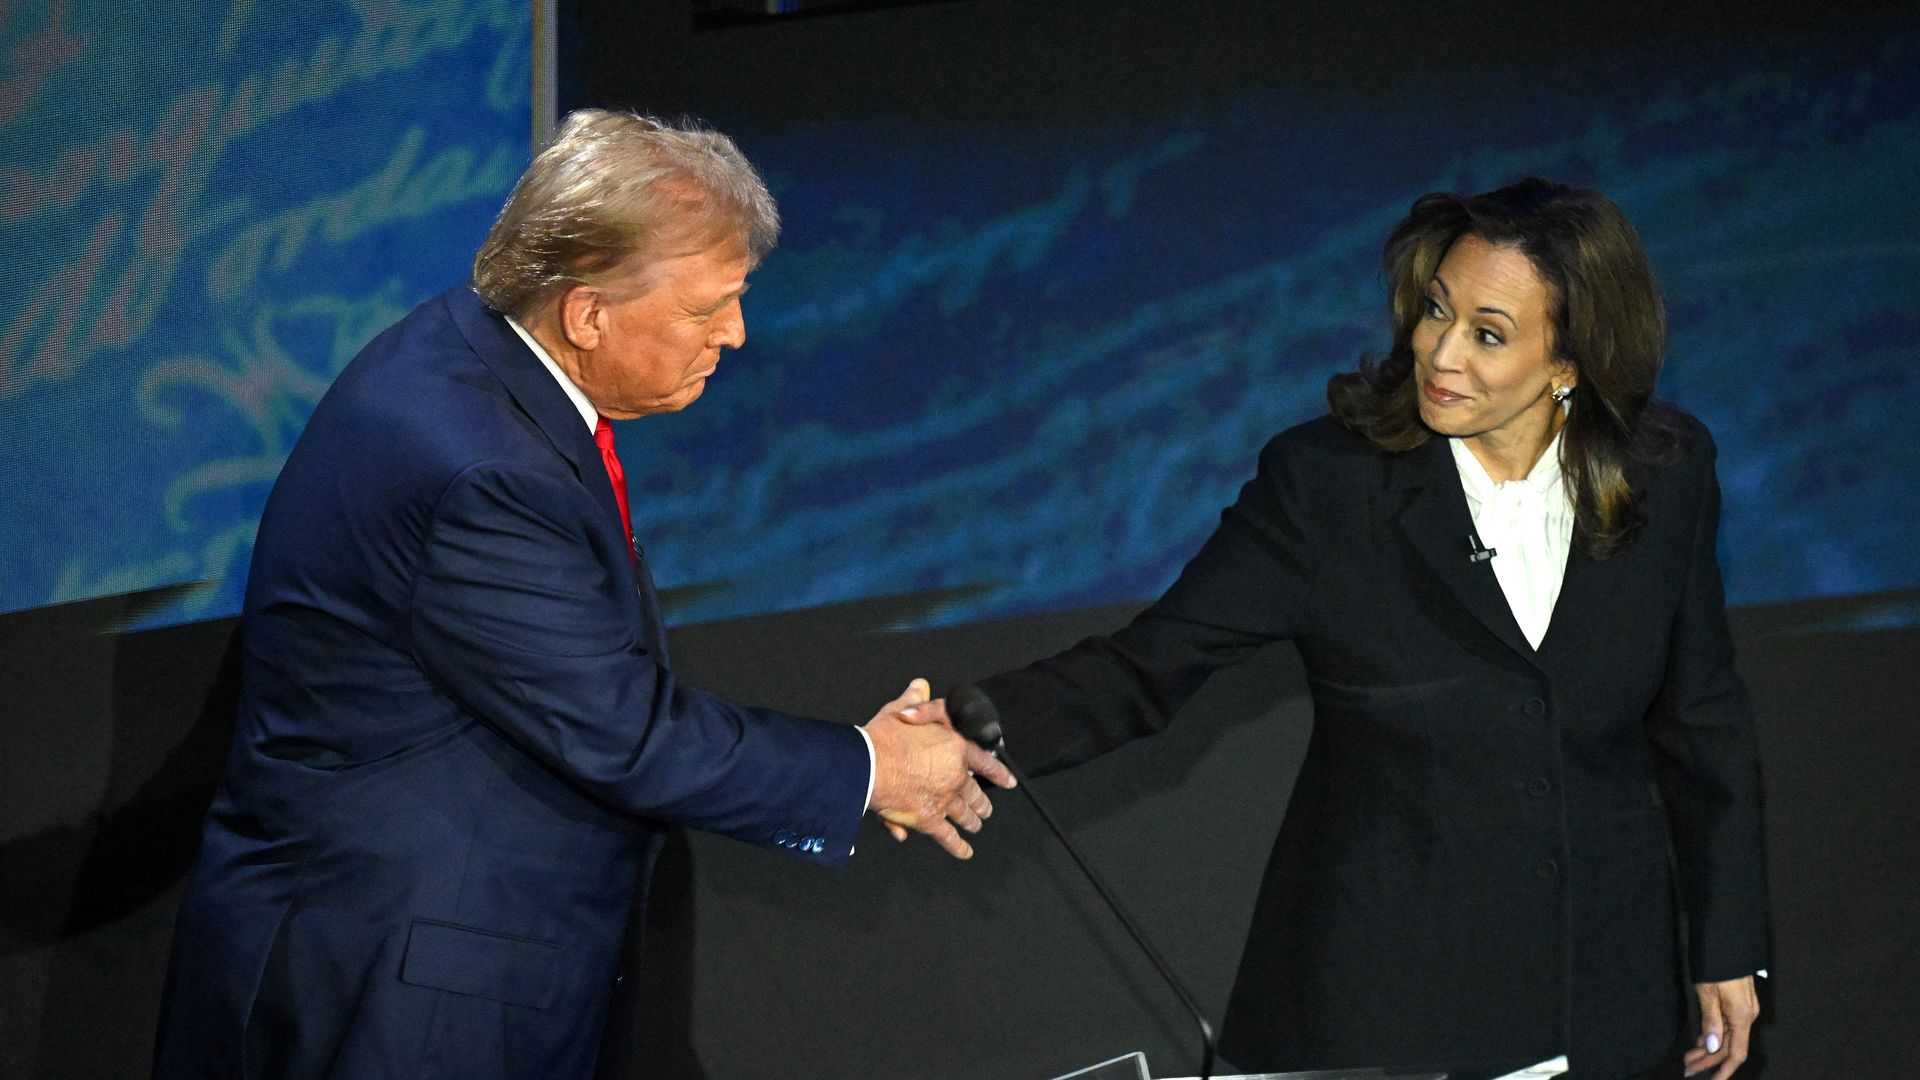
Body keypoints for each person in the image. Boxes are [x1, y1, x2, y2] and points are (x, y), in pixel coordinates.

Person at [152, 109, 1013, 1080]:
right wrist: (870, 769)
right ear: (588, 311)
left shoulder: (469, 353)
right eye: (704, 310)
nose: (733, 335)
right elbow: (625, 733)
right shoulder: (478, 469)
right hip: (405, 995)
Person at [948, 179, 1767, 1080]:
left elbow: (1702, 716)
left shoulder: (1667, 470)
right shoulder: (1327, 485)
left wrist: (1727, 940)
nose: (1439, 352)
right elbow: (1151, 666)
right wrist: (966, 728)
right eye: (1434, 312)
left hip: (1603, 995)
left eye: (1488, 335)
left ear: (1568, 362)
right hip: (1383, 1004)